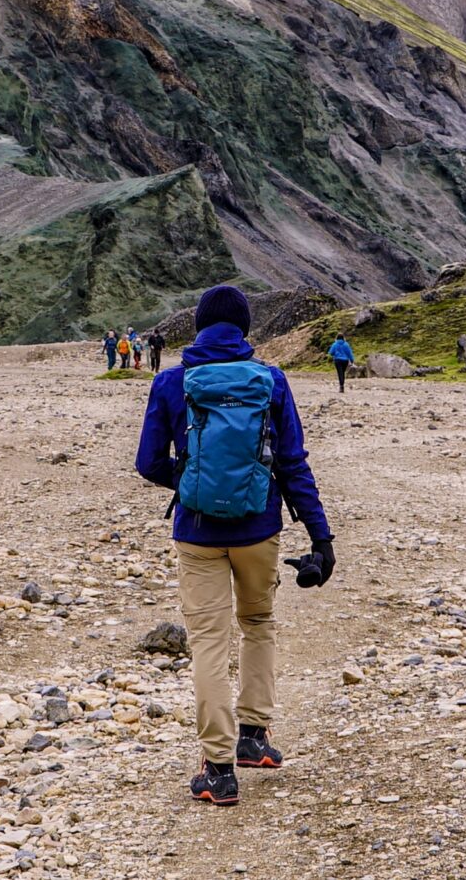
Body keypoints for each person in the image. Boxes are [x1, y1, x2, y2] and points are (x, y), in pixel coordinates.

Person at [135, 285, 334, 806]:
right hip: (259, 531)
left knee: (208, 642)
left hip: (197, 535)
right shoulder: (270, 380)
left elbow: (148, 462)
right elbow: (293, 464)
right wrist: (320, 535)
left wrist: (191, 481)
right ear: (244, 329)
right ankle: (255, 738)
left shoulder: (171, 382)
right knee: (258, 625)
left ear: (198, 326)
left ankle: (218, 769)